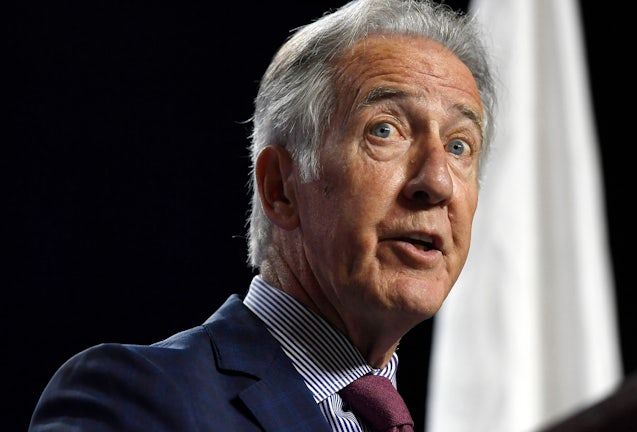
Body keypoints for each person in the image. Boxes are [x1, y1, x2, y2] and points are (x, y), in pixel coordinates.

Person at [28, 0, 496, 430]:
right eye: (385, 130)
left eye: (459, 146)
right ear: (280, 189)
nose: (437, 182)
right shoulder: (134, 400)